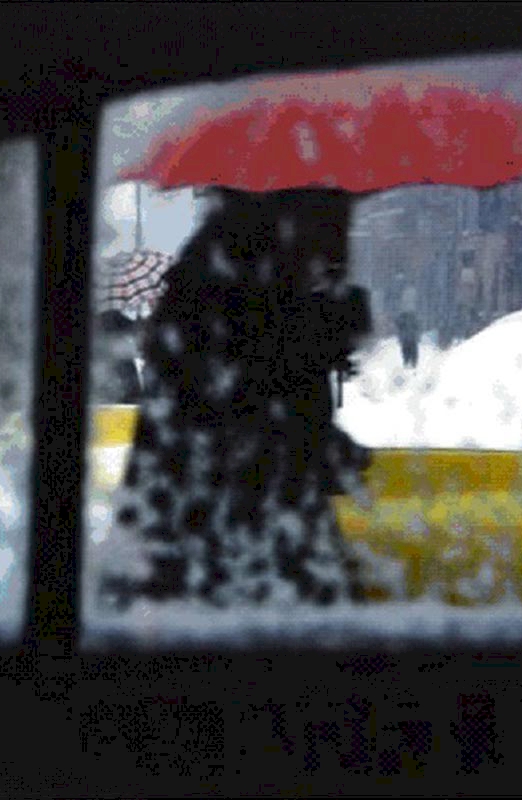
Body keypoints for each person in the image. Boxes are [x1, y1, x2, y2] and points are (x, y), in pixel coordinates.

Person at [99, 187, 372, 609]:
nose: (346, 232)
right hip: (225, 552)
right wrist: (323, 334)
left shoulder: (236, 271)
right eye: (340, 214)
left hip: (205, 545)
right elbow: (255, 423)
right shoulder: (241, 283)